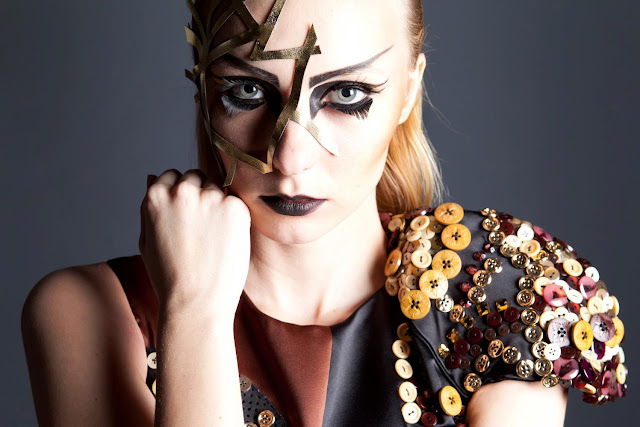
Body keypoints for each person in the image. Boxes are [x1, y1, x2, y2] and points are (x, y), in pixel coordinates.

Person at [21, 0, 628, 425]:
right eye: (248, 91)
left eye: (347, 95)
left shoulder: (496, 294)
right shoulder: (89, 313)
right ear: (204, 89)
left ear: (408, 91)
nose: (290, 156)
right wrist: (195, 311)